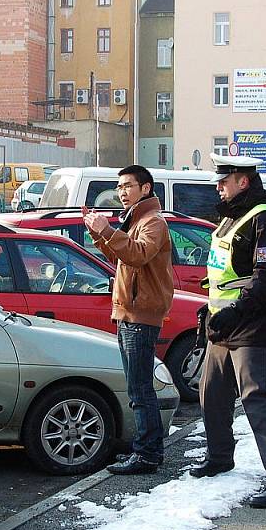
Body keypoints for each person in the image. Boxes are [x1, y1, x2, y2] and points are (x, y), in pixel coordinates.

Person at [191, 153, 266, 509]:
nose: (218, 188)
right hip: (223, 322)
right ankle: (219, 457)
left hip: (253, 324)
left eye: (224, 182)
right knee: (212, 394)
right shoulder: (231, 219)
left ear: (243, 181)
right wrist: (211, 306)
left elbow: (265, 280)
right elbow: (226, 274)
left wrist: (235, 311)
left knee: (257, 399)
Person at [82, 165, 174, 475]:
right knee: (136, 386)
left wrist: (107, 231)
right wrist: (98, 233)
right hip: (127, 311)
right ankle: (146, 451)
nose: (122, 192)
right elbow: (119, 257)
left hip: (141, 313)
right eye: (119, 187)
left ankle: (147, 453)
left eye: (128, 186)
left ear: (145, 189)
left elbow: (137, 255)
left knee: (140, 388)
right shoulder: (136, 219)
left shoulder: (153, 222)